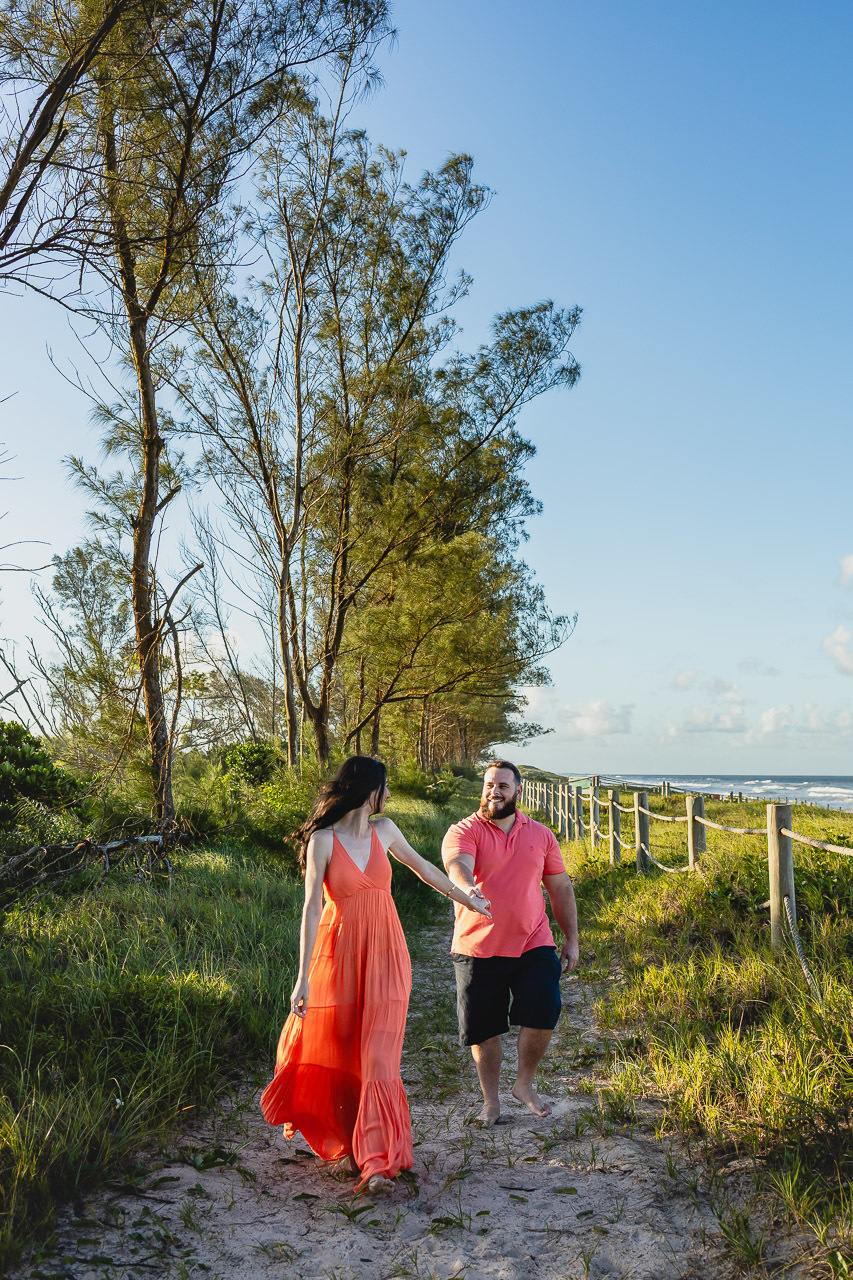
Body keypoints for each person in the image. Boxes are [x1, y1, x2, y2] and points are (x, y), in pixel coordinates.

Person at [260, 756, 491, 1193]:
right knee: (344, 1050)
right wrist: (302, 977)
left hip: (387, 954)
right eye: (384, 787)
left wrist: (467, 898)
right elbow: (311, 909)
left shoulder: (385, 830)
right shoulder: (323, 840)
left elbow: (425, 869)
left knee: (380, 1058)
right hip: (338, 956)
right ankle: (353, 1148)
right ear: (369, 789)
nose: (388, 795)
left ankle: (378, 1162)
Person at [441, 760, 579, 1126]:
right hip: (477, 945)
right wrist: (468, 887)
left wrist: (571, 938)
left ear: (518, 790)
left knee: (544, 1009)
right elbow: (457, 864)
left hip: (534, 940)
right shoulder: (464, 830)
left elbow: (560, 886)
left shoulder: (541, 835)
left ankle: (524, 1084)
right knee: (483, 1029)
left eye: (502, 785)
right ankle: (491, 1101)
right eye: (489, 784)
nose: (494, 791)